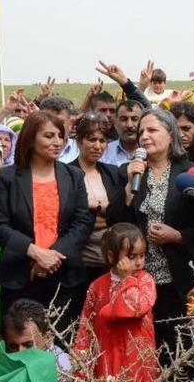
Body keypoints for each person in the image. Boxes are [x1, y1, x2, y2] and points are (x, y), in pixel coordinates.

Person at [124, 108, 194, 356]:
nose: (144, 136)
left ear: (171, 135)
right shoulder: (133, 173)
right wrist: (129, 181)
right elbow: (119, 221)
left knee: (182, 355)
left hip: (181, 283)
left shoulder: (191, 174)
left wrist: (178, 236)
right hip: (141, 281)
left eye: (152, 130)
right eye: (141, 132)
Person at [0, 111, 93, 322]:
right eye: (48, 136)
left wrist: (52, 255)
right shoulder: (8, 177)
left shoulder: (73, 176)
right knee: (23, 347)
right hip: (20, 275)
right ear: (30, 139)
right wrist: (34, 252)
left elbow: (82, 222)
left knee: (62, 349)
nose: (57, 142)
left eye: (60, 136)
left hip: (65, 276)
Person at [74, 223, 158, 381]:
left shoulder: (146, 280)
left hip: (138, 356)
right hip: (107, 354)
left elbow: (138, 307)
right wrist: (80, 362)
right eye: (132, 257)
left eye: (142, 255)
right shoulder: (97, 286)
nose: (139, 262)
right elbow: (86, 326)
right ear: (112, 256)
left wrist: (127, 279)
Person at [69, 113, 127, 283]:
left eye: (102, 141)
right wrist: (103, 214)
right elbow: (70, 218)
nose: (97, 146)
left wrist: (97, 207)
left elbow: (121, 213)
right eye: (92, 140)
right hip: (80, 264)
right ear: (79, 141)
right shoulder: (66, 174)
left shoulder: (113, 172)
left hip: (112, 264)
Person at [2, 298, 72, 375]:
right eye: (13, 346)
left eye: (28, 345)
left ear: (48, 338)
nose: (20, 352)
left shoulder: (64, 369)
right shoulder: (0, 362)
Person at [100, 100, 144, 167]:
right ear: (115, 123)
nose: (129, 125)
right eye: (124, 119)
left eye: (135, 119)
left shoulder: (152, 150)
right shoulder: (104, 152)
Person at [39, 96, 80, 163]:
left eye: (60, 123)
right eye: (48, 122)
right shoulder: (30, 152)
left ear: (70, 122)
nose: (54, 128)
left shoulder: (80, 151)